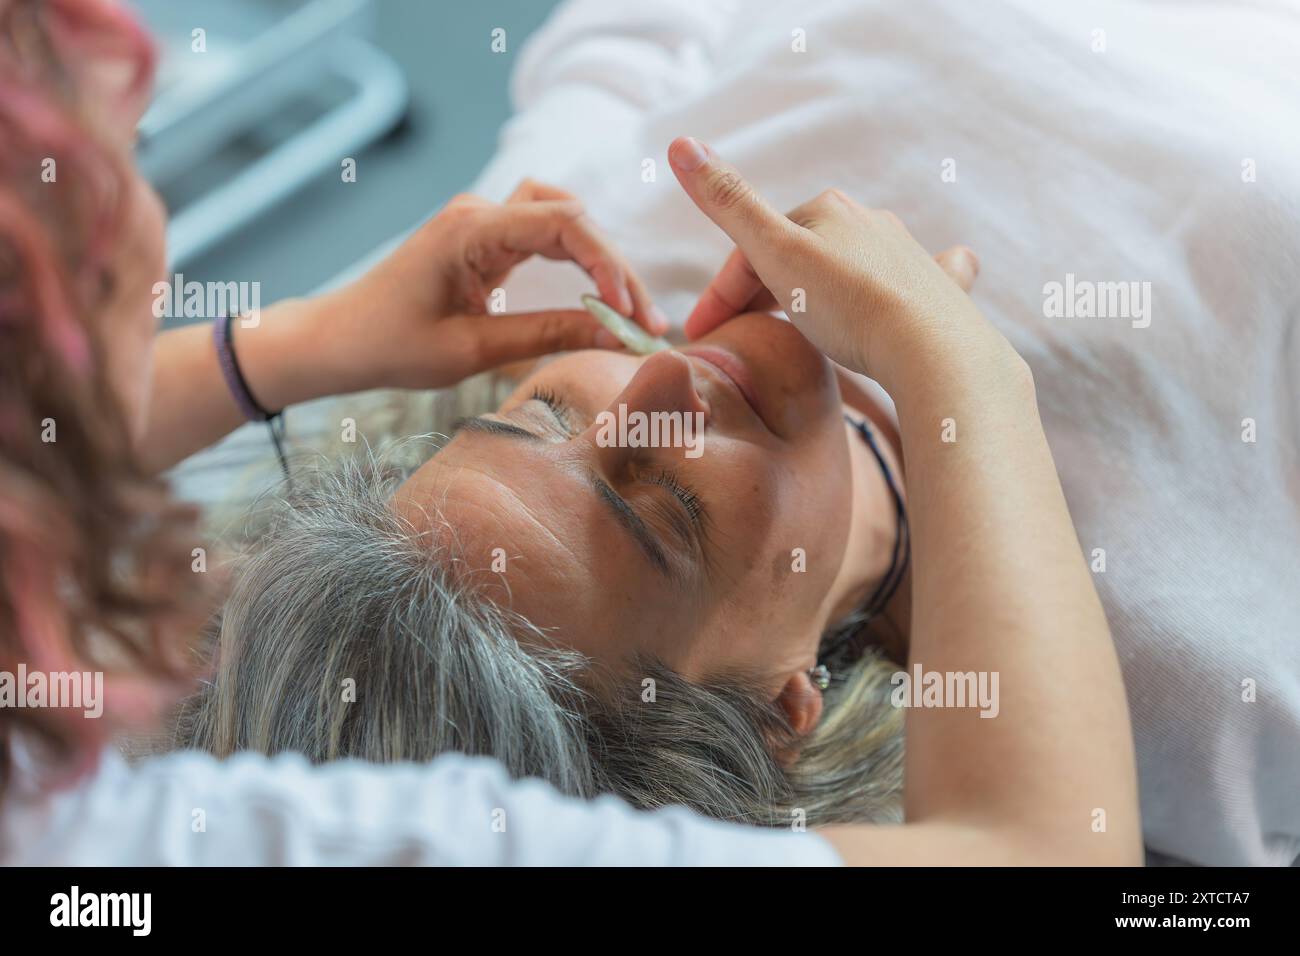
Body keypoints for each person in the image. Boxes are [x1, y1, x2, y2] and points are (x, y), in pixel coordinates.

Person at [0, 0, 1139, 865]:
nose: (649, 387)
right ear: (781, 705)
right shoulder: (1169, 636)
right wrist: (958, 371)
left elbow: (631, 33)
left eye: (538, 411)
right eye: (669, 512)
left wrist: (296, 346)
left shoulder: (579, 207)